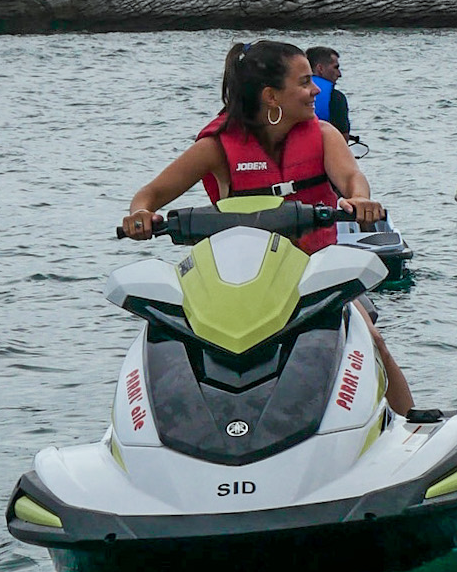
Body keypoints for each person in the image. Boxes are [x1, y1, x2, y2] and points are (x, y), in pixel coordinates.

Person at [120, 39, 415, 415]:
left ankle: (410, 425)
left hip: (316, 275)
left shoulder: (324, 135)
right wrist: (140, 216)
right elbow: (150, 194)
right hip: (241, 281)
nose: (315, 91)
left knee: (371, 338)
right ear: (271, 96)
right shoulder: (217, 147)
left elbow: (352, 178)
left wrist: (359, 201)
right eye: (305, 82)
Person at [306, 46, 352, 139]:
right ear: (320, 68)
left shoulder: (290, 93)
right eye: (336, 67)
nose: (339, 74)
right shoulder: (336, 98)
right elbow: (343, 140)